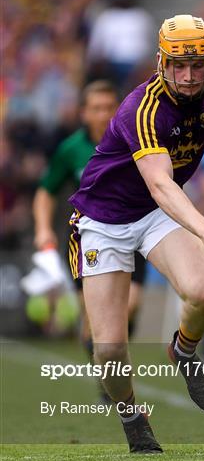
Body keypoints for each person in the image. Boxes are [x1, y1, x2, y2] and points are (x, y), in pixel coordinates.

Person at [68, 15, 204, 454]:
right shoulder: (140, 109)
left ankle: (183, 351)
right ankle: (131, 416)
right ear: (161, 63)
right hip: (104, 221)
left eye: (198, 65)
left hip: (154, 215)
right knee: (107, 351)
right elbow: (162, 184)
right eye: (178, 66)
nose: (187, 76)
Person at [33, 81, 146, 400]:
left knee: (131, 305)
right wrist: (43, 228)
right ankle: (105, 371)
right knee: (92, 324)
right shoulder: (71, 149)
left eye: (109, 107)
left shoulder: (132, 137)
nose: (103, 114)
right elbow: (45, 191)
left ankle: (114, 356)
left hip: (132, 231)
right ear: (84, 113)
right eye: (96, 108)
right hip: (89, 239)